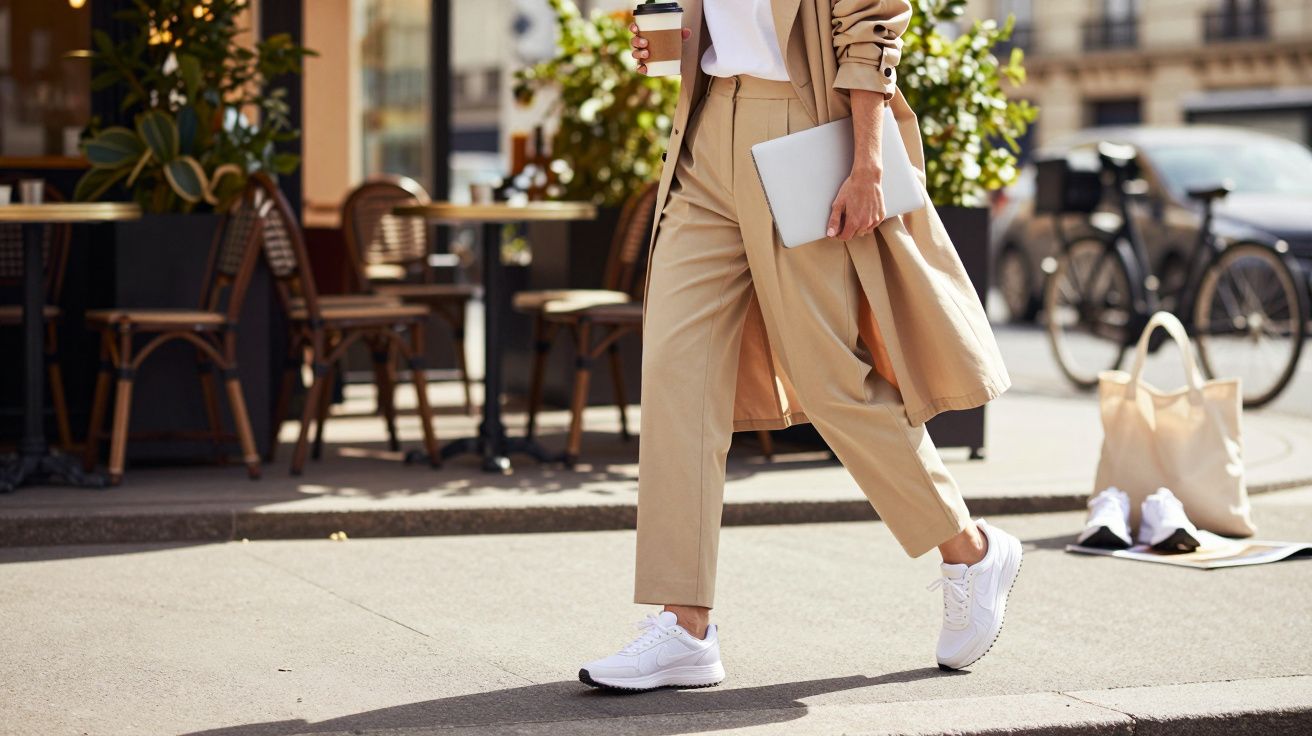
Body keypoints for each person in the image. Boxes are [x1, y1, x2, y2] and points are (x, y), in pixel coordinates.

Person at [579, 0, 1020, 691]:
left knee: (830, 383)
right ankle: (684, 627)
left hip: (801, 124)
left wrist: (868, 159)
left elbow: (873, 16)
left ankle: (970, 550)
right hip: (704, 130)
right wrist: (672, 37)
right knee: (676, 377)